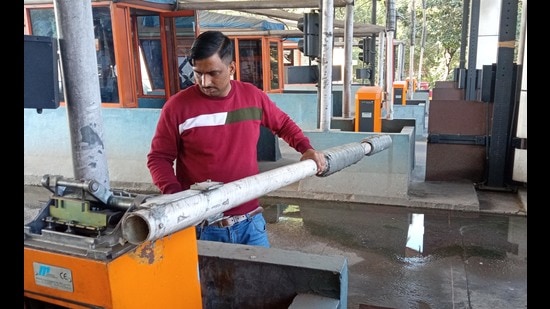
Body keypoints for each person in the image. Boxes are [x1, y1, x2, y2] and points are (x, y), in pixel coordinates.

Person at [147, 30, 326, 248]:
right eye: (197, 73)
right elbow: (158, 158)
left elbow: (283, 124)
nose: (204, 81)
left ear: (231, 68)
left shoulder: (253, 97)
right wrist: (176, 198)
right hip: (199, 228)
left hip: (250, 224)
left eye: (213, 73)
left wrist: (306, 149)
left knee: (262, 280)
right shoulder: (177, 107)